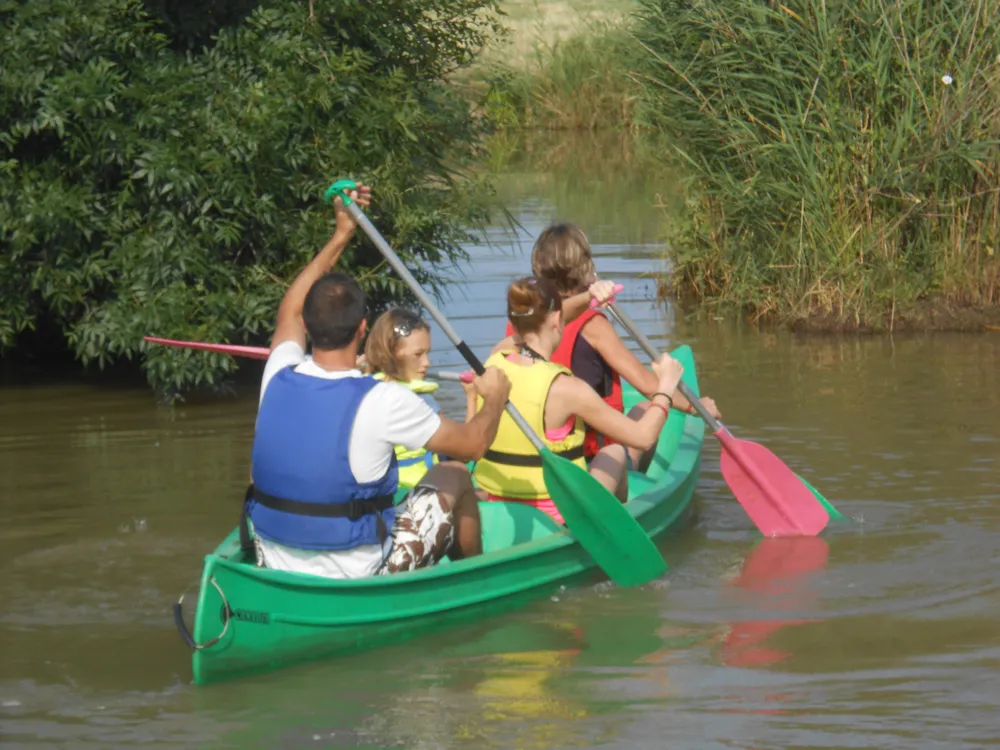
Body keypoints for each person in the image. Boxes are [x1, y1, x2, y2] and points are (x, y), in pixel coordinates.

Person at [246, 184, 511, 579]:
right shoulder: (383, 398)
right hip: (358, 568)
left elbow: (288, 309)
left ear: (307, 326)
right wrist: (494, 399)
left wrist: (340, 235)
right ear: (363, 329)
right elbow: (473, 445)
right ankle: (472, 581)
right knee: (454, 471)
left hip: (273, 557)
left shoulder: (277, 374)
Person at [471, 277, 687, 524]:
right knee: (615, 452)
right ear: (555, 319)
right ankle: (614, 527)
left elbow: (539, 324)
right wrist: (667, 386)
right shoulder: (567, 389)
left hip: (499, 499)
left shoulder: (493, 360)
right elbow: (644, 437)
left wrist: (588, 298)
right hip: (558, 515)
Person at [505, 223, 720, 460]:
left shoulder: (522, 322)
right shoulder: (593, 325)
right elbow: (648, 386)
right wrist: (696, 406)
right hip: (589, 453)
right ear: (586, 267)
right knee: (644, 408)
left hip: (534, 442)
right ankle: (632, 474)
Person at [364, 307, 476, 489]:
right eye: (418, 354)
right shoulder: (420, 400)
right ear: (393, 353)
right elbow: (465, 451)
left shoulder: (363, 386)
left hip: (383, 490)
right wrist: (472, 398)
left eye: (427, 353)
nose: (427, 363)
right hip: (415, 490)